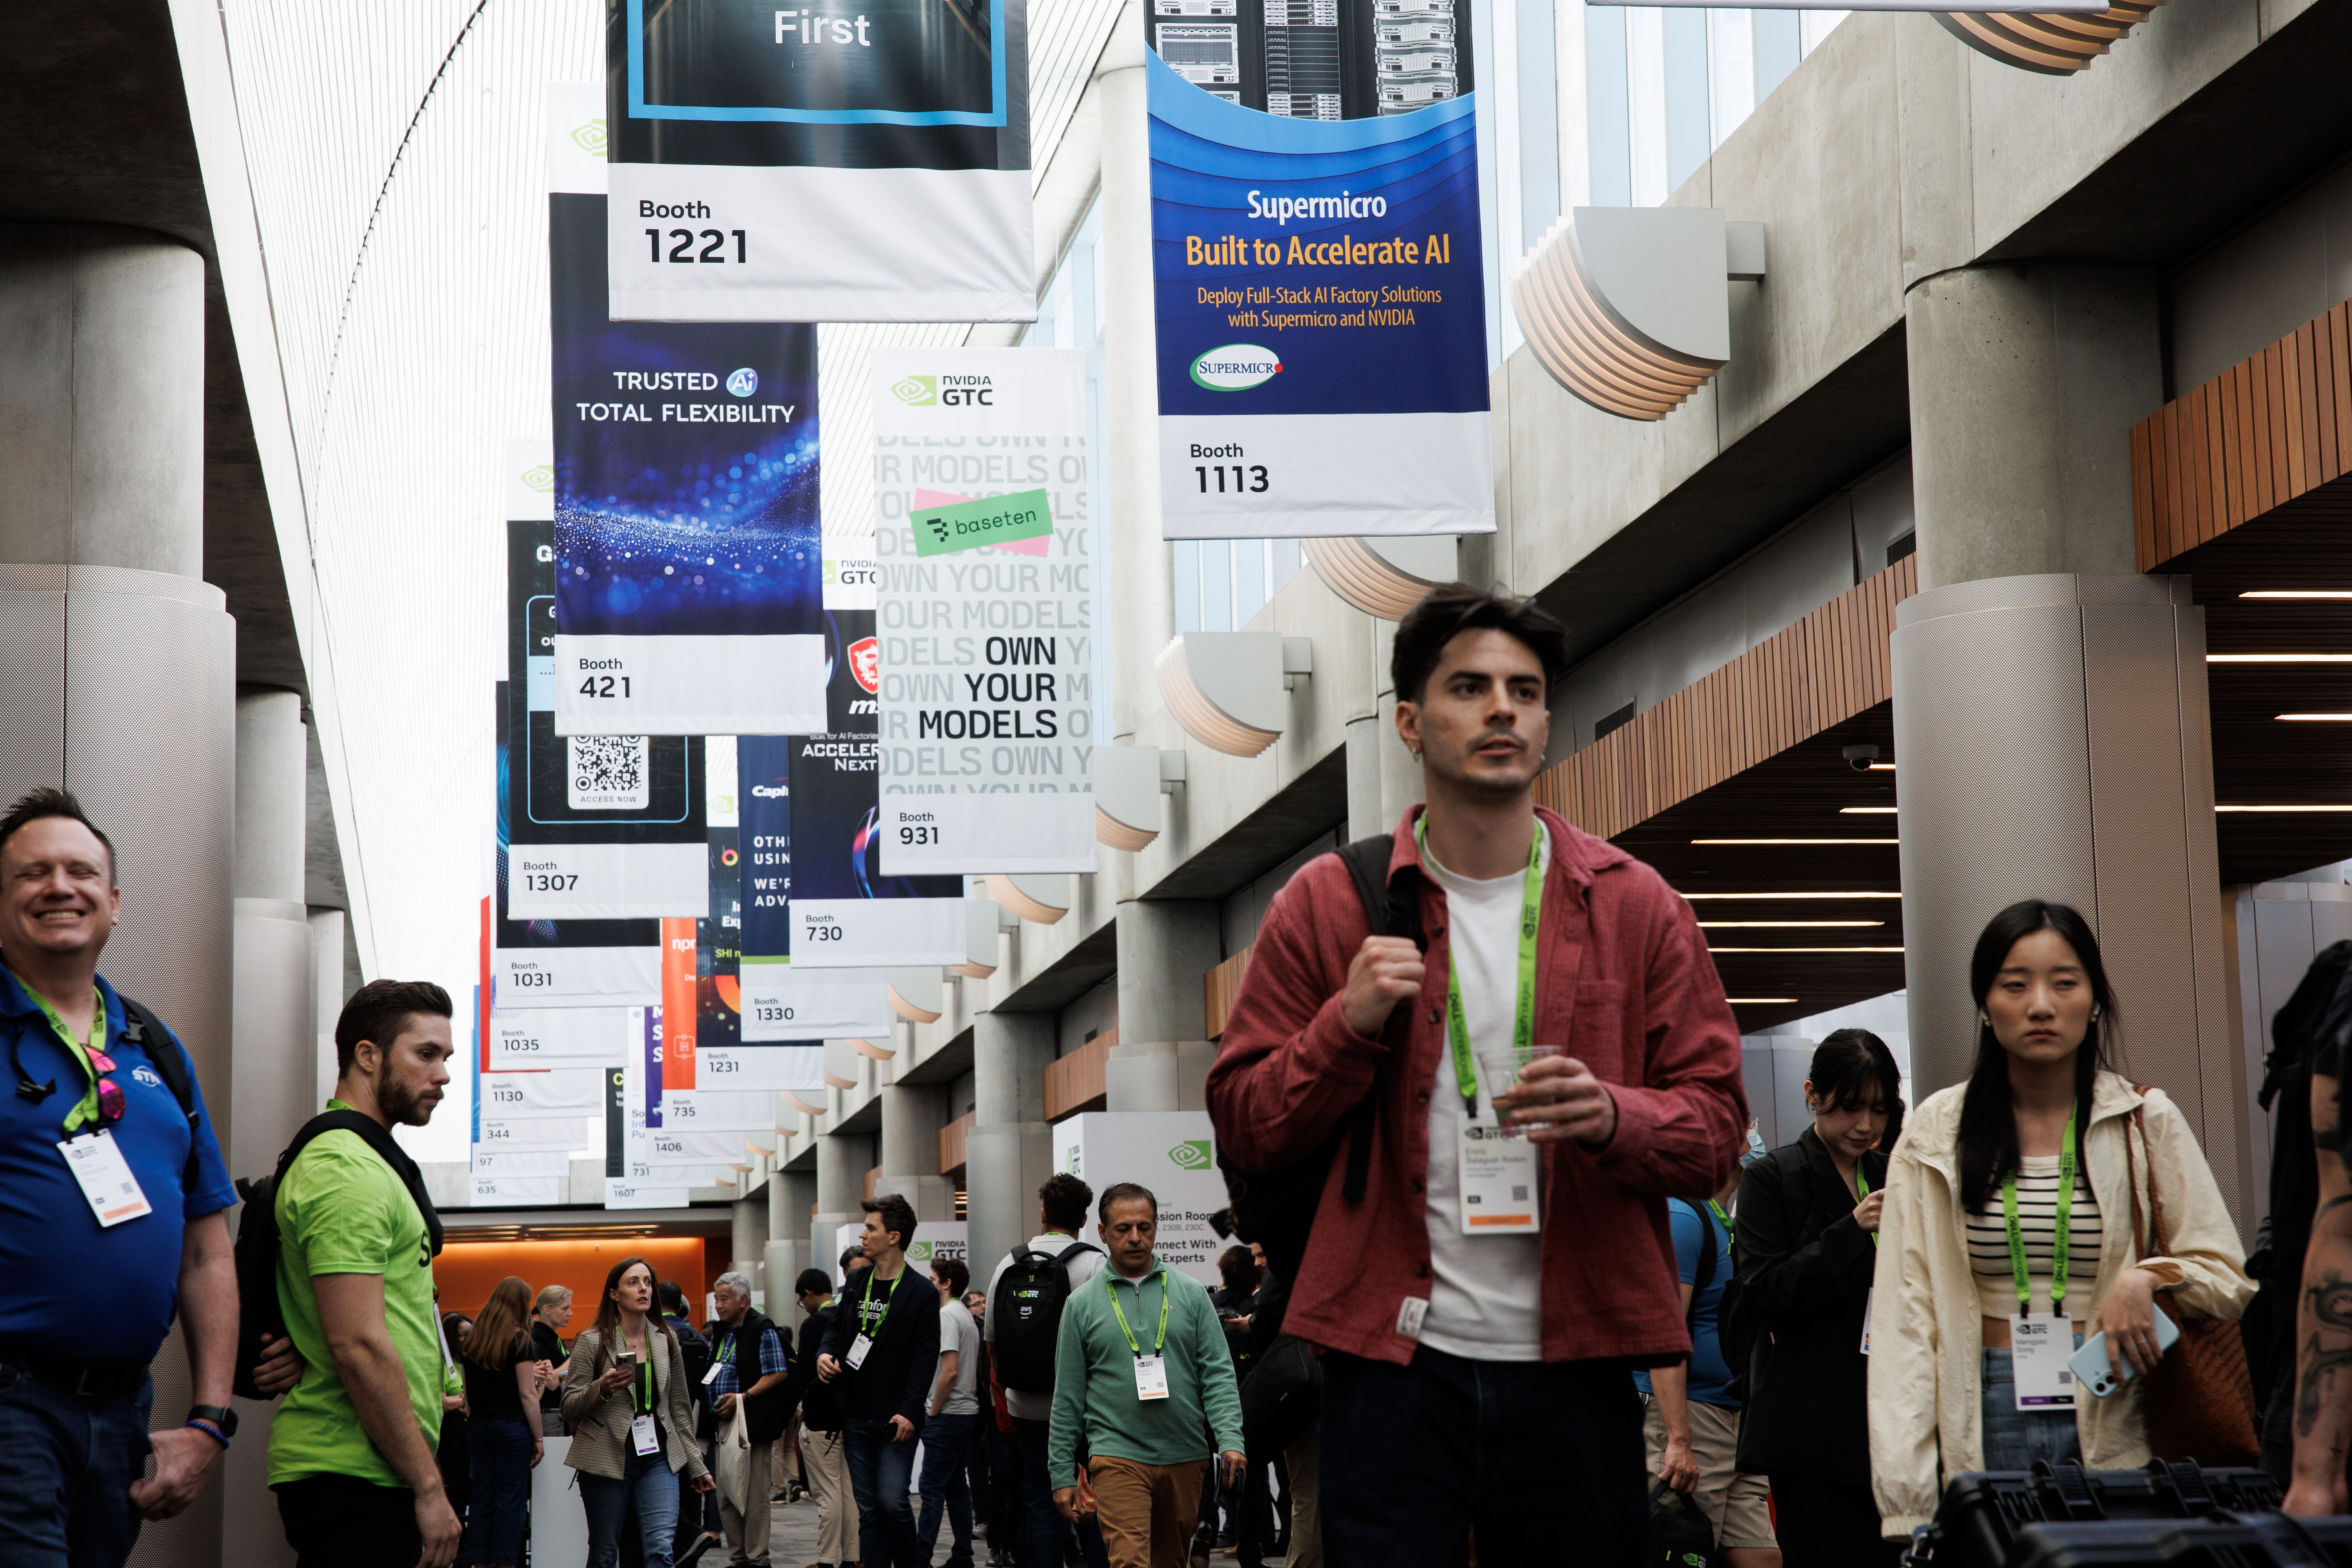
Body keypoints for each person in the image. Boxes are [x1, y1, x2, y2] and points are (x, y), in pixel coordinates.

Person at [1207, 584, 1750, 1568]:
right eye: (1470, 686)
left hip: (1580, 1360)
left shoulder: (1638, 907)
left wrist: (1613, 1115)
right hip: (1391, 1358)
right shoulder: (1332, 904)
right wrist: (1347, 1022)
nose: (1503, 707)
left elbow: (1716, 1127)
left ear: (1546, 720)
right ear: (1410, 721)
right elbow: (1244, 1123)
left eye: (1525, 689)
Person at [1869, 901, 2255, 1539]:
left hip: (2116, 1394)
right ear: (1985, 1005)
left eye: (2065, 983)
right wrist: (1908, 1501)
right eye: (2015, 985)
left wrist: (2148, 1278)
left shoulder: (2143, 1120)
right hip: (1983, 1397)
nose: (2041, 1005)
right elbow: (1907, 1320)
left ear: (2096, 1002)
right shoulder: (1937, 1133)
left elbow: (2228, 1278)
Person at [0, 788, 275, 1567]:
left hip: (123, 1411)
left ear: (114, 901)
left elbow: (205, 1247)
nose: (62, 886)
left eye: (82, 871)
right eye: (33, 872)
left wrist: (211, 1419)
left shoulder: (156, 1049)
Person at [269, 979, 463, 1568]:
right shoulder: (345, 1167)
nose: (445, 1075)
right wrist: (429, 1488)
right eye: (426, 1054)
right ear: (367, 1055)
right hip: (353, 1473)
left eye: (446, 1057)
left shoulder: (370, 1160)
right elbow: (356, 1343)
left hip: (373, 1468)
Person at [1731, 1030, 1903, 1566]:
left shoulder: (1890, 1172)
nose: (1865, 1126)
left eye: (1879, 1110)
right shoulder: (1772, 1177)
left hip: (1887, 1409)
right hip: (1810, 1422)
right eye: (1850, 1108)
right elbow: (1765, 1290)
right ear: (1812, 1094)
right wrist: (1850, 1229)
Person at [1046, 1184, 1245, 1568]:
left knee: (1170, 1561)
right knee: (1130, 1562)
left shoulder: (1190, 1294)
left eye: (1145, 1227)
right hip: (1116, 1454)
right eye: (1123, 1229)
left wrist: (1231, 1439)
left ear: (1156, 1227)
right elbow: (1068, 1395)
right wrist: (1061, 1473)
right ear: (1102, 1232)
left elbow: (1218, 1374)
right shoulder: (1081, 1305)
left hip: (1185, 1455)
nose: (1136, 1238)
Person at [1634, 1171, 1776, 1568]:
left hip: (1738, 1420)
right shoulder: (1683, 1217)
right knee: (1680, 1551)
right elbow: (1663, 1337)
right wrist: (1679, 1440)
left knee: (1762, 1557)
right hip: (1691, 1419)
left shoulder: (1724, 1217)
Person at [984, 1171, 1108, 1568]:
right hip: (1087, 1409)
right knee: (1106, 1497)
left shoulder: (1009, 1262)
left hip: (1027, 1404)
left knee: (1040, 1500)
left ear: (1042, 1213)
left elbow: (992, 1341)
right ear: (1084, 1219)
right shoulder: (1094, 1264)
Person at [562, 1256, 715, 1568]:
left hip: (657, 1457)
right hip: (607, 1455)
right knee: (605, 1552)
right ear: (614, 1294)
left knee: (661, 1548)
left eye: (648, 1282)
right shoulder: (592, 1341)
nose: (643, 1289)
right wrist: (602, 1388)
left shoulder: (665, 1338)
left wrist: (696, 1465)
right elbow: (569, 1406)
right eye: (633, 1283)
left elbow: (679, 1408)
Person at [817, 1193, 942, 1568]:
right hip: (854, 1412)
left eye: (871, 1228)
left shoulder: (921, 1292)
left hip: (895, 1418)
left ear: (894, 1237)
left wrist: (909, 1412)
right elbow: (836, 1326)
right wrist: (825, 1354)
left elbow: (925, 1359)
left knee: (892, 1501)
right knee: (869, 1509)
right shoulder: (857, 1280)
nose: (863, 1234)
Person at [456, 1277, 545, 1568]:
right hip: (511, 1427)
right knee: (510, 1502)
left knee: (481, 1501)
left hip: (479, 1427)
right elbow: (528, 1393)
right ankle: (505, 1564)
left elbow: (467, 1398)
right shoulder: (520, 1340)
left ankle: (478, 1563)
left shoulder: (471, 1341)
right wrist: (539, 1438)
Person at [706, 1269, 792, 1568]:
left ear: (744, 1301)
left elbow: (779, 1373)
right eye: (717, 1299)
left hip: (752, 1423)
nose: (719, 1305)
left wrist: (744, 1398)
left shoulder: (762, 1328)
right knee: (727, 1497)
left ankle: (757, 1559)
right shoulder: (722, 1331)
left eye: (725, 1299)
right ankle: (738, 1558)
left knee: (753, 1497)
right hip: (723, 1424)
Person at [786, 1269, 853, 1568]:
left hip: (820, 1419)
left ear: (810, 1295)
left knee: (827, 1494)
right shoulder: (849, 1319)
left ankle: (826, 1560)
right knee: (848, 1492)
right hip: (848, 1416)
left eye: (803, 1300)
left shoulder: (814, 1325)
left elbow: (803, 1375)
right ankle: (853, 1558)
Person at [920, 1257, 982, 1568]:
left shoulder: (946, 1316)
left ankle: (920, 1557)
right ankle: (962, 1556)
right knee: (957, 1487)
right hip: (965, 1413)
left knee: (931, 1488)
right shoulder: (964, 1315)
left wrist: (932, 1411)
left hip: (948, 1415)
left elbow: (950, 1371)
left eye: (933, 1279)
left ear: (946, 1284)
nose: (929, 1284)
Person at [655, 1280, 723, 1561]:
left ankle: (673, 1543)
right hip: (692, 1424)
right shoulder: (696, 1336)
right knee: (692, 1484)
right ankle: (691, 1541)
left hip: (658, 1427)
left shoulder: (656, 1335)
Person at [532, 1285, 574, 1436]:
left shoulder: (553, 1337)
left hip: (558, 1414)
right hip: (548, 1415)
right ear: (547, 1310)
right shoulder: (536, 1336)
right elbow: (550, 1382)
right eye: (565, 1309)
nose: (571, 1313)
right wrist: (574, 1359)